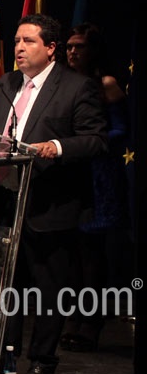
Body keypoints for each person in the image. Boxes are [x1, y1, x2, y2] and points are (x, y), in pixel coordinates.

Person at [0, 14, 107, 374]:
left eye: (28, 41)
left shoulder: (77, 87)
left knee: (48, 289)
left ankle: (42, 362)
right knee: (7, 286)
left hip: (50, 205)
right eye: (17, 41)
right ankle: (2, 358)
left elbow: (96, 139)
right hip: (9, 200)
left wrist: (56, 146)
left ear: (51, 48)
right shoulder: (7, 84)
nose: (19, 48)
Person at [60, 23, 130, 353]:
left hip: (98, 176)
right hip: (69, 173)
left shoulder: (106, 84)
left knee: (92, 255)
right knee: (71, 253)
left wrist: (86, 140)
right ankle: (71, 319)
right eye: (69, 46)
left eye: (80, 46)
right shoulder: (62, 83)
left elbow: (121, 130)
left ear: (93, 51)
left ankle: (91, 323)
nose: (73, 52)